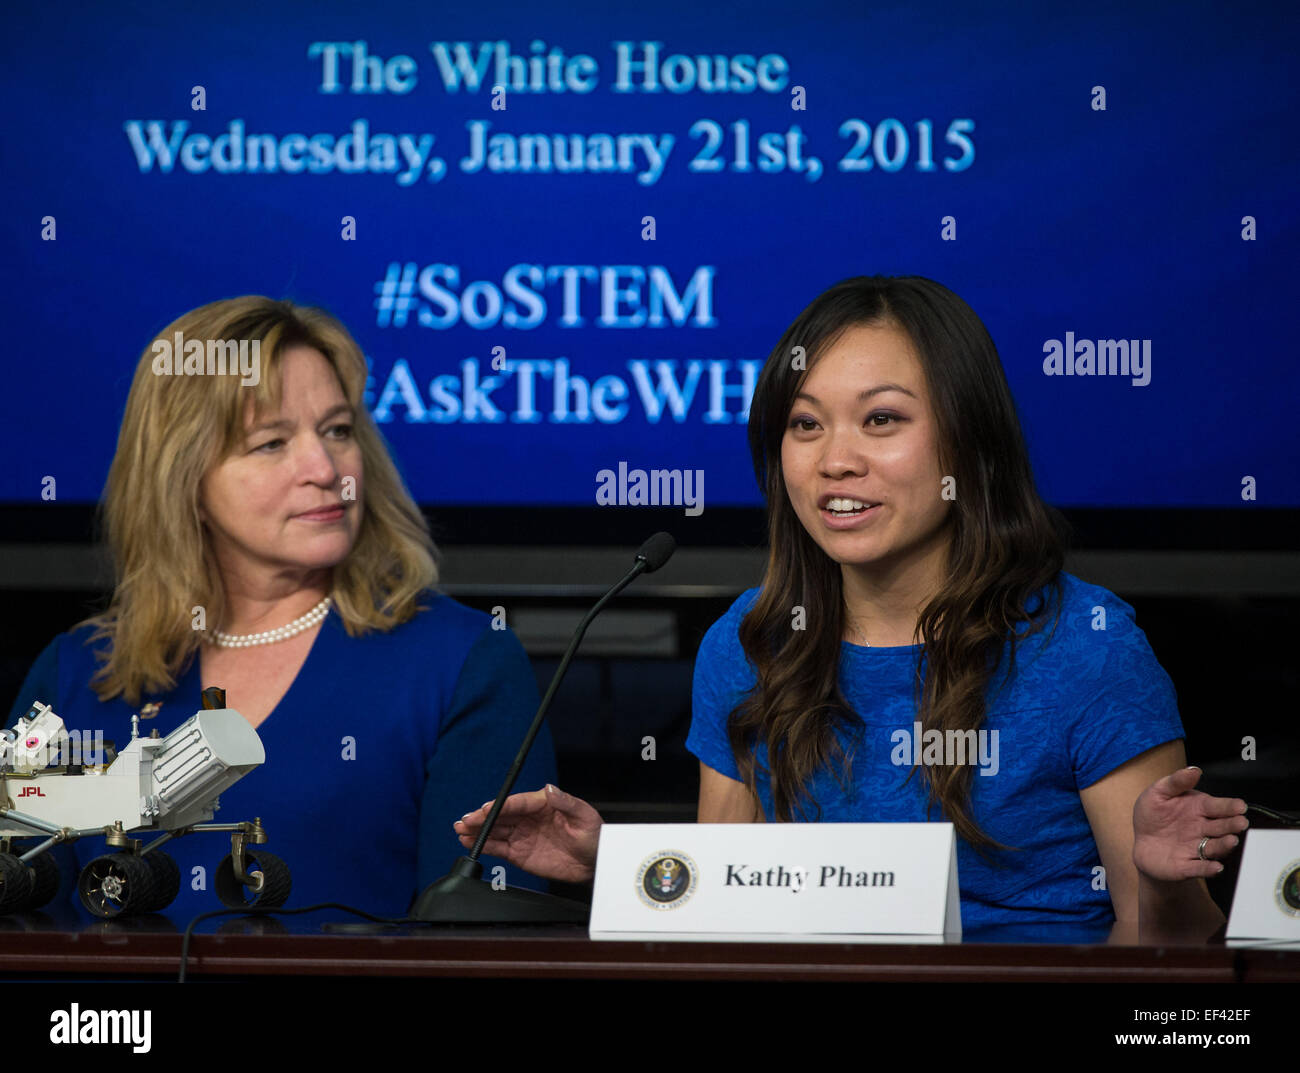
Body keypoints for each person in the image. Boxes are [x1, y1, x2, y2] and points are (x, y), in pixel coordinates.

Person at [455, 275, 1247, 937]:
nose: (836, 460)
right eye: (805, 424)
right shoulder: (749, 640)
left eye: (882, 420)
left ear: (967, 443)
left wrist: (1164, 884)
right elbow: (724, 917)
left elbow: (1171, 969)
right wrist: (621, 868)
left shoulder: (1086, 643)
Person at [4, 296, 555, 923]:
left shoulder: (463, 664)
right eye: (270, 443)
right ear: (183, 479)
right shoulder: (77, 671)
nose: (326, 469)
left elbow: (482, 950)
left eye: (338, 430)